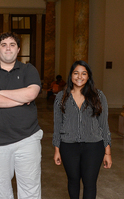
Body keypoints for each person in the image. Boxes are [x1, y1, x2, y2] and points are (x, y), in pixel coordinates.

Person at [0, 32, 43, 199]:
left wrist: (0, 93)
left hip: (27, 139)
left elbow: (31, 94)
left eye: (12, 44)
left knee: (30, 190)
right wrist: (20, 99)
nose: (8, 48)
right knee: (1, 192)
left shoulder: (29, 69)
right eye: (4, 45)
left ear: (18, 49)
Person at [53, 60, 112, 199]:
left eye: (84, 73)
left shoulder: (98, 96)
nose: (79, 77)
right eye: (76, 73)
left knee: (90, 183)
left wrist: (107, 152)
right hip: (68, 146)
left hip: (94, 146)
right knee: (73, 181)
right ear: (71, 75)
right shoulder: (61, 97)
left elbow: (104, 125)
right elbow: (57, 125)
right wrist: (57, 149)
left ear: (88, 76)